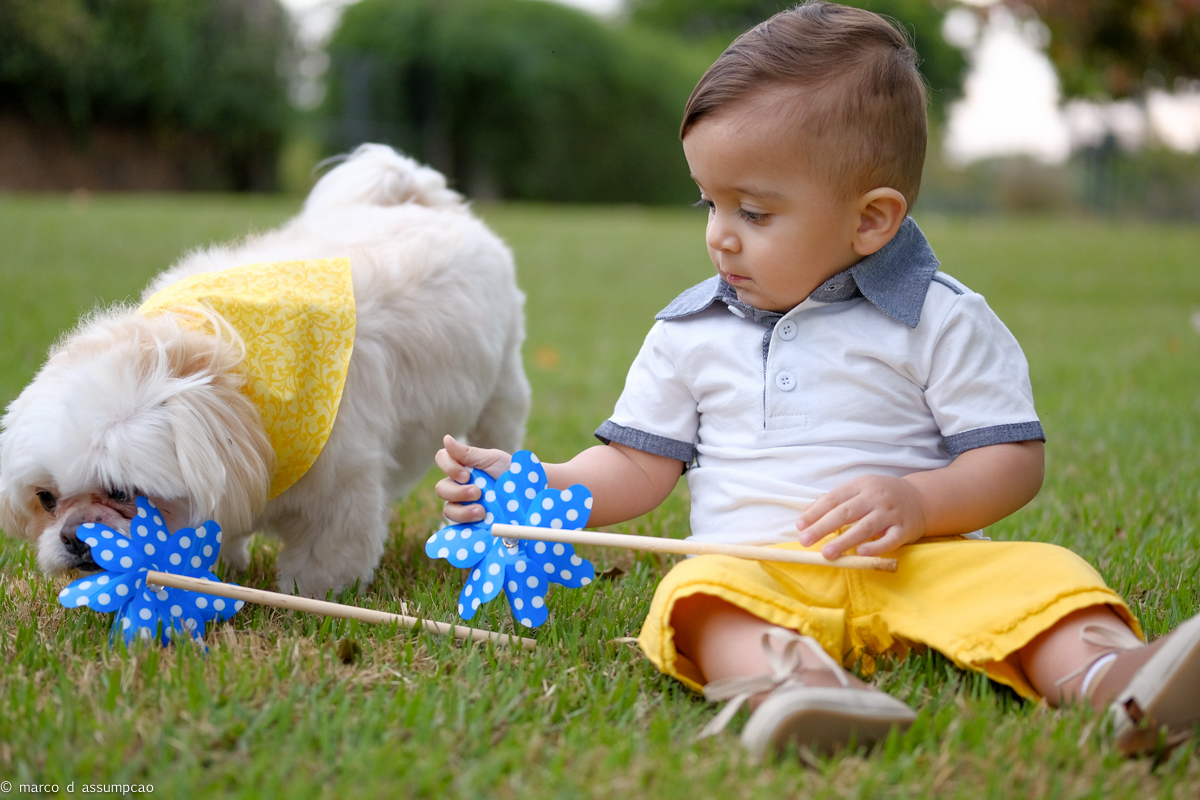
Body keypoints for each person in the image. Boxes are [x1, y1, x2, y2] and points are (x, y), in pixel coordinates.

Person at [434, 1, 1200, 758]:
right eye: (710, 201)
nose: (719, 234)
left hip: (914, 562)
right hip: (758, 569)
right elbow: (638, 465)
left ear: (871, 219)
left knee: (1042, 575)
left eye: (755, 212)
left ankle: (1112, 673)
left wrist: (917, 500)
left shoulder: (940, 318)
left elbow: (1011, 462)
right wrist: (542, 483)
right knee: (695, 599)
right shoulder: (689, 332)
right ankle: (794, 686)